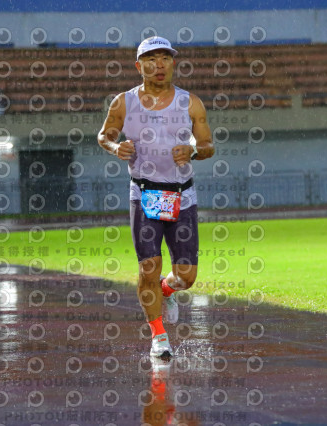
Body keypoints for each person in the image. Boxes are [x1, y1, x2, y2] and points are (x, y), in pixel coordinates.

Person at [98, 37, 214, 358]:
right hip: (144, 193)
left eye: (165, 58)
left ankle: (167, 289)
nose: (159, 65)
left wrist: (193, 151)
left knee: (187, 277)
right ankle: (158, 336)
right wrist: (115, 147)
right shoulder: (124, 102)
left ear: (173, 63)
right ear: (139, 66)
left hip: (181, 195)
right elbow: (104, 135)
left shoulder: (190, 102)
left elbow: (208, 145)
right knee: (148, 267)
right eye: (151, 59)